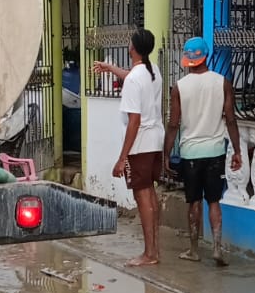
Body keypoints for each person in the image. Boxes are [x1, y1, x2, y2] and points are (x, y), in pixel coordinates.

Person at [164, 36, 242, 265]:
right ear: (206, 56)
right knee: (214, 201)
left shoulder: (180, 87)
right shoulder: (222, 82)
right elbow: (230, 119)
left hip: (190, 153)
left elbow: (173, 124)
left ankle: (194, 249)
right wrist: (237, 150)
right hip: (216, 151)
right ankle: (217, 248)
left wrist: (165, 153)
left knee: (194, 202)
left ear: (187, 59)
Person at [93, 30, 165, 266]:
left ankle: (149, 253)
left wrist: (122, 157)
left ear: (132, 47)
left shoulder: (135, 79)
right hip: (155, 138)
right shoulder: (152, 70)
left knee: (142, 195)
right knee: (150, 193)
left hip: (141, 142)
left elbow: (134, 120)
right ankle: (154, 249)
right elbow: (132, 75)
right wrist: (110, 68)